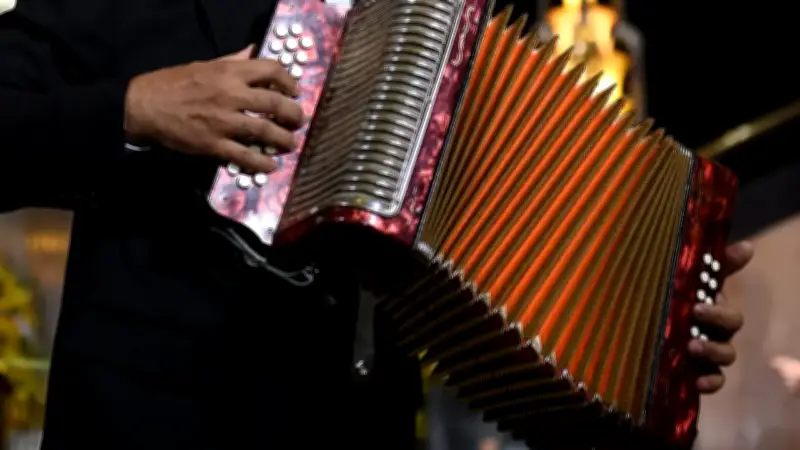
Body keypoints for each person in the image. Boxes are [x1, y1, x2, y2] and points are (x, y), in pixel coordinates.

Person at [0, 0, 748, 448]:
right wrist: (135, 108)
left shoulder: (449, 16)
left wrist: (652, 318)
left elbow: (527, 208)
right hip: (157, 428)